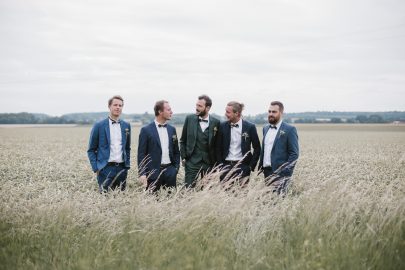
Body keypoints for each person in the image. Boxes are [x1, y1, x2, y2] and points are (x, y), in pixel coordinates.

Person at [87, 95, 131, 193]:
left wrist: (126, 166)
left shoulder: (126, 126)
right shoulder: (99, 126)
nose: (118, 107)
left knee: (121, 200)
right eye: (115, 105)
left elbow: (127, 148)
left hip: (122, 169)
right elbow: (91, 149)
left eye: (120, 105)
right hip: (105, 169)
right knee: (104, 200)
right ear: (109, 107)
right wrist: (96, 168)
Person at [137, 100, 180, 192]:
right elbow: (141, 154)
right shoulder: (146, 130)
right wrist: (142, 173)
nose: (171, 112)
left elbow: (176, 151)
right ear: (160, 112)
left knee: (171, 202)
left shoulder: (172, 130)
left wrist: (175, 168)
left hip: (170, 173)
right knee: (152, 204)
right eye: (168, 110)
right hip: (152, 174)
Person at [258, 101, 299, 193]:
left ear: (281, 113)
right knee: (269, 201)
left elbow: (294, 154)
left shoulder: (290, 129)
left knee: (279, 202)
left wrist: (285, 172)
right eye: (269, 111)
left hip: (281, 174)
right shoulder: (265, 128)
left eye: (274, 112)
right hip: (266, 172)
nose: (270, 114)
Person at [180, 95, 220, 188]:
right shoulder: (189, 119)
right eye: (196, 105)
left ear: (208, 108)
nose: (197, 108)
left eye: (200, 106)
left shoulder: (216, 122)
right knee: (188, 190)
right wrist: (183, 157)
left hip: (209, 164)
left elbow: (218, 145)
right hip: (192, 163)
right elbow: (183, 140)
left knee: (207, 193)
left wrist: (217, 164)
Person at [216, 101, 261, 185]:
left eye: (228, 112)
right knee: (225, 196)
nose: (225, 114)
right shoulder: (222, 126)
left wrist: (250, 167)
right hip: (226, 167)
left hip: (243, 167)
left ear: (237, 113)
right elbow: (217, 147)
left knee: (242, 195)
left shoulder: (250, 127)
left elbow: (257, 148)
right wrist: (220, 165)